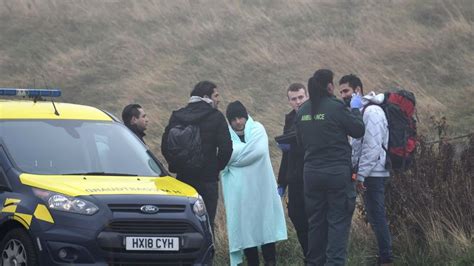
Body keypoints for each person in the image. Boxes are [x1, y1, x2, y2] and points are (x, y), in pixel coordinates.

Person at [295, 69, 365, 265]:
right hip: (336, 175)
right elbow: (358, 130)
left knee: (316, 225)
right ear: (329, 86)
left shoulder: (302, 111)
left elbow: (300, 143)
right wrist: (356, 109)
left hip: (311, 175)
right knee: (337, 224)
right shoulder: (336, 107)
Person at [221, 101, 287, 266]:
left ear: (246, 116)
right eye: (234, 119)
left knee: (265, 225)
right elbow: (223, 157)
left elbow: (257, 151)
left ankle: (270, 261)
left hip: (261, 190)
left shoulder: (258, 129)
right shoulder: (225, 136)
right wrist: (233, 155)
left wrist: (234, 156)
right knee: (246, 230)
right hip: (240, 195)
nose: (238, 122)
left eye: (240, 117)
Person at [161, 81, 232, 231]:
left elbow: (165, 146)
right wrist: (214, 168)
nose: (219, 99)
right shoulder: (216, 116)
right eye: (216, 95)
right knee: (206, 224)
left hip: (184, 180)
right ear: (206, 97)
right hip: (208, 181)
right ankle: (207, 254)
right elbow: (226, 149)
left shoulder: (178, 116)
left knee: (185, 224)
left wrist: (178, 165)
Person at [339, 74, 393, 265]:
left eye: (346, 91)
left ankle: (386, 257)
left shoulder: (372, 112)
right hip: (368, 172)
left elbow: (372, 147)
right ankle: (384, 254)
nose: (343, 95)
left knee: (377, 214)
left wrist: (360, 175)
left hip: (374, 173)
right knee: (374, 214)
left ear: (357, 90)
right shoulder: (358, 112)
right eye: (341, 92)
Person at [276, 83, 309, 260]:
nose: (298, 102)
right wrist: (282, 182)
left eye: (301, 97)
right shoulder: (289, 119)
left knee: (314, 221)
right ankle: (309, 257)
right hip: (294, 178)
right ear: (289, 101)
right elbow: (286, 156)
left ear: (307, 96)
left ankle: (318, 258)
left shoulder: (313, 116)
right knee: (297, 217)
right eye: (294, 99)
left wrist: (292, 146)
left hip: (311, 177)